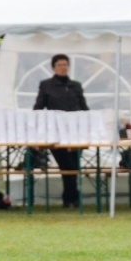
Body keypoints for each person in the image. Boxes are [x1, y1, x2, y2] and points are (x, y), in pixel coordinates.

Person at [33, 53, 89, 208]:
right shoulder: (46, 85)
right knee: (66, 165)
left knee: (74, 165)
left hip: (76, 132)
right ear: (53, 67)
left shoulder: (75, 86)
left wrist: (89, 122)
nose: (63, 67)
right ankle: (72, 196)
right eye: (60, 65)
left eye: (65, 64)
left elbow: (83, 107)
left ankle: (69, 197)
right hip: (56, 133)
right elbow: (38, 107)